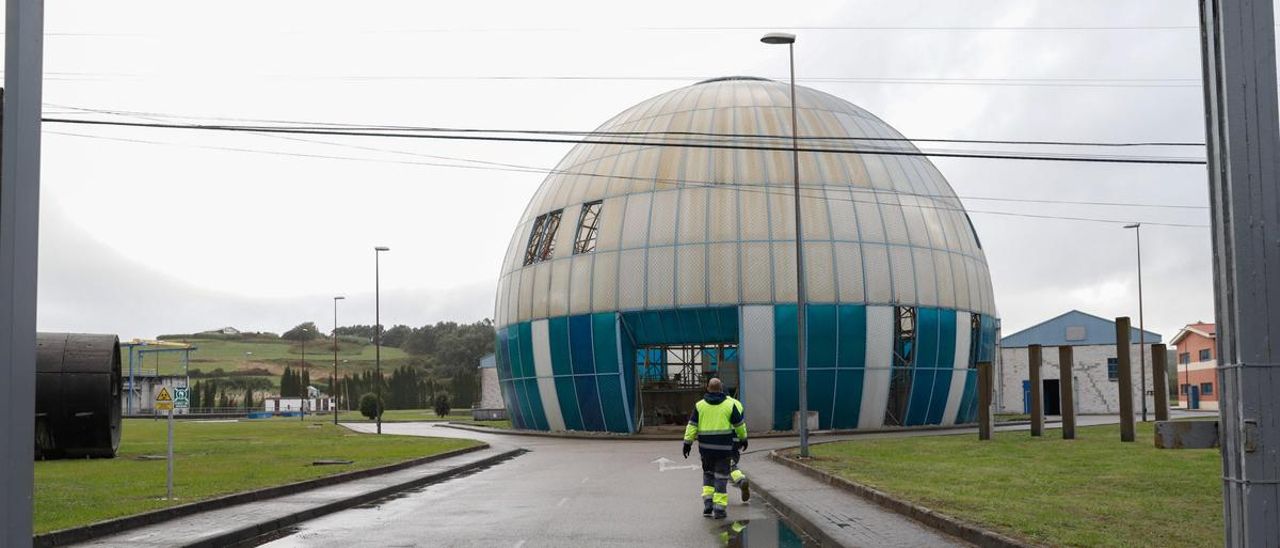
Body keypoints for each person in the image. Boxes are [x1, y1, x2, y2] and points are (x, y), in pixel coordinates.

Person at [682, 378, 747, 519]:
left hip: (706, 449)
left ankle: (708, 504)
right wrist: (743, 438)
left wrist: (687, 443)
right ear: (721, 389)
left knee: (708, 475)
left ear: (707, 388)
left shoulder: (699, 406)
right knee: (722, 477)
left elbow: (692, 426)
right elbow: (739, 425)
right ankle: (719, 509)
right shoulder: (730, 405)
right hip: (724, 449)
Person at [726, 394, 750, 503]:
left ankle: (740, 480)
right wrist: (743, 438)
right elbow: (741, 423)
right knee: (731, 462)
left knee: (721, 465)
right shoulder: (738, 404)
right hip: (735, 438)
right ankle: (740, 480)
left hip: (721, 438)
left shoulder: (717, 404)